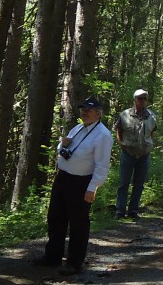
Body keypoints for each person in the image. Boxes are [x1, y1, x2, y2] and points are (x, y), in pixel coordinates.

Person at [34, 96, 113, 275]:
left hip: (81, 182)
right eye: (83, 109)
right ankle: (52, 256)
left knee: (78, 223)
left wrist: (93, 187)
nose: (84, 112)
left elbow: (102, 165)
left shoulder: (103, 135)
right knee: (55, 217)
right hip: (63, 177)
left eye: (89, 110)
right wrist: (63, 143)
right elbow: (62, 150)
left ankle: (74, 262)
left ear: (98, 114)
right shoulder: (78, 128)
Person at [115, 88, 157, 220]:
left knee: (139, 184)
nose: (142, 101)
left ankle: (133, 210)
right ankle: (120, 211)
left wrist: (148, 146)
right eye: (140, 98)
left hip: (144, 155)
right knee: (124, 183)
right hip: (128, 154)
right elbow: (118, 131)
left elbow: (152, 132)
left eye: (144, 99)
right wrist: (121, 144)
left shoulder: (151, 116)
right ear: (134, 99)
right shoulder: (125, 115)